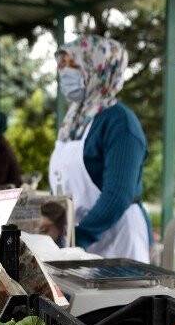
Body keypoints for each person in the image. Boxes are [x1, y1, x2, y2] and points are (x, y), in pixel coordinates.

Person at [50, 34, 151, 262]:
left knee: (119, 299)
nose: (65, 72)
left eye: (73, 64)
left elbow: (117, 195)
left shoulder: (120, 123)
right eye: (62, 65)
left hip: (116, 237)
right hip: (77, 239)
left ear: (98, 67)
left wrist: (77, 239)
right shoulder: (75, 119)